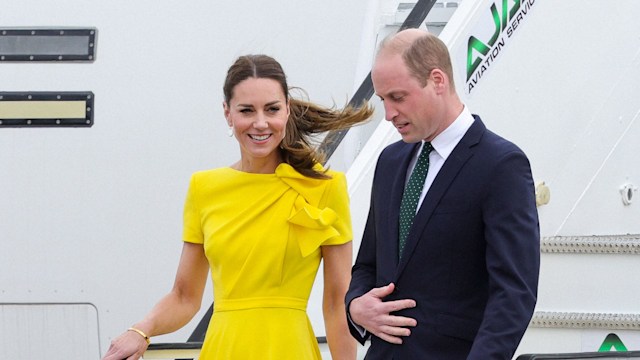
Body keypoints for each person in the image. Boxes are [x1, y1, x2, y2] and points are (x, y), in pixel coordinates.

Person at [102, 54, 374, 360]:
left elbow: (337, 301)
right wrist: (140, 330)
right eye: (247, 110)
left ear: (287, 109)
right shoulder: (204, 188)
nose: (260, 123)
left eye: (272, 109)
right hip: (224, 348)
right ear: (227, 114)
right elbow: (184, 297)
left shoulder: (325, 186)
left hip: (289, 349)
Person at [345, 29, 540, 359]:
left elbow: (513, 292)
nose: (389, 114)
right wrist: (356, 307)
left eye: (398, 97)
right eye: (383, 100)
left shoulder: (501, 165)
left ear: (438, 80)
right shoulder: (390, 163)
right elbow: (367, 265)